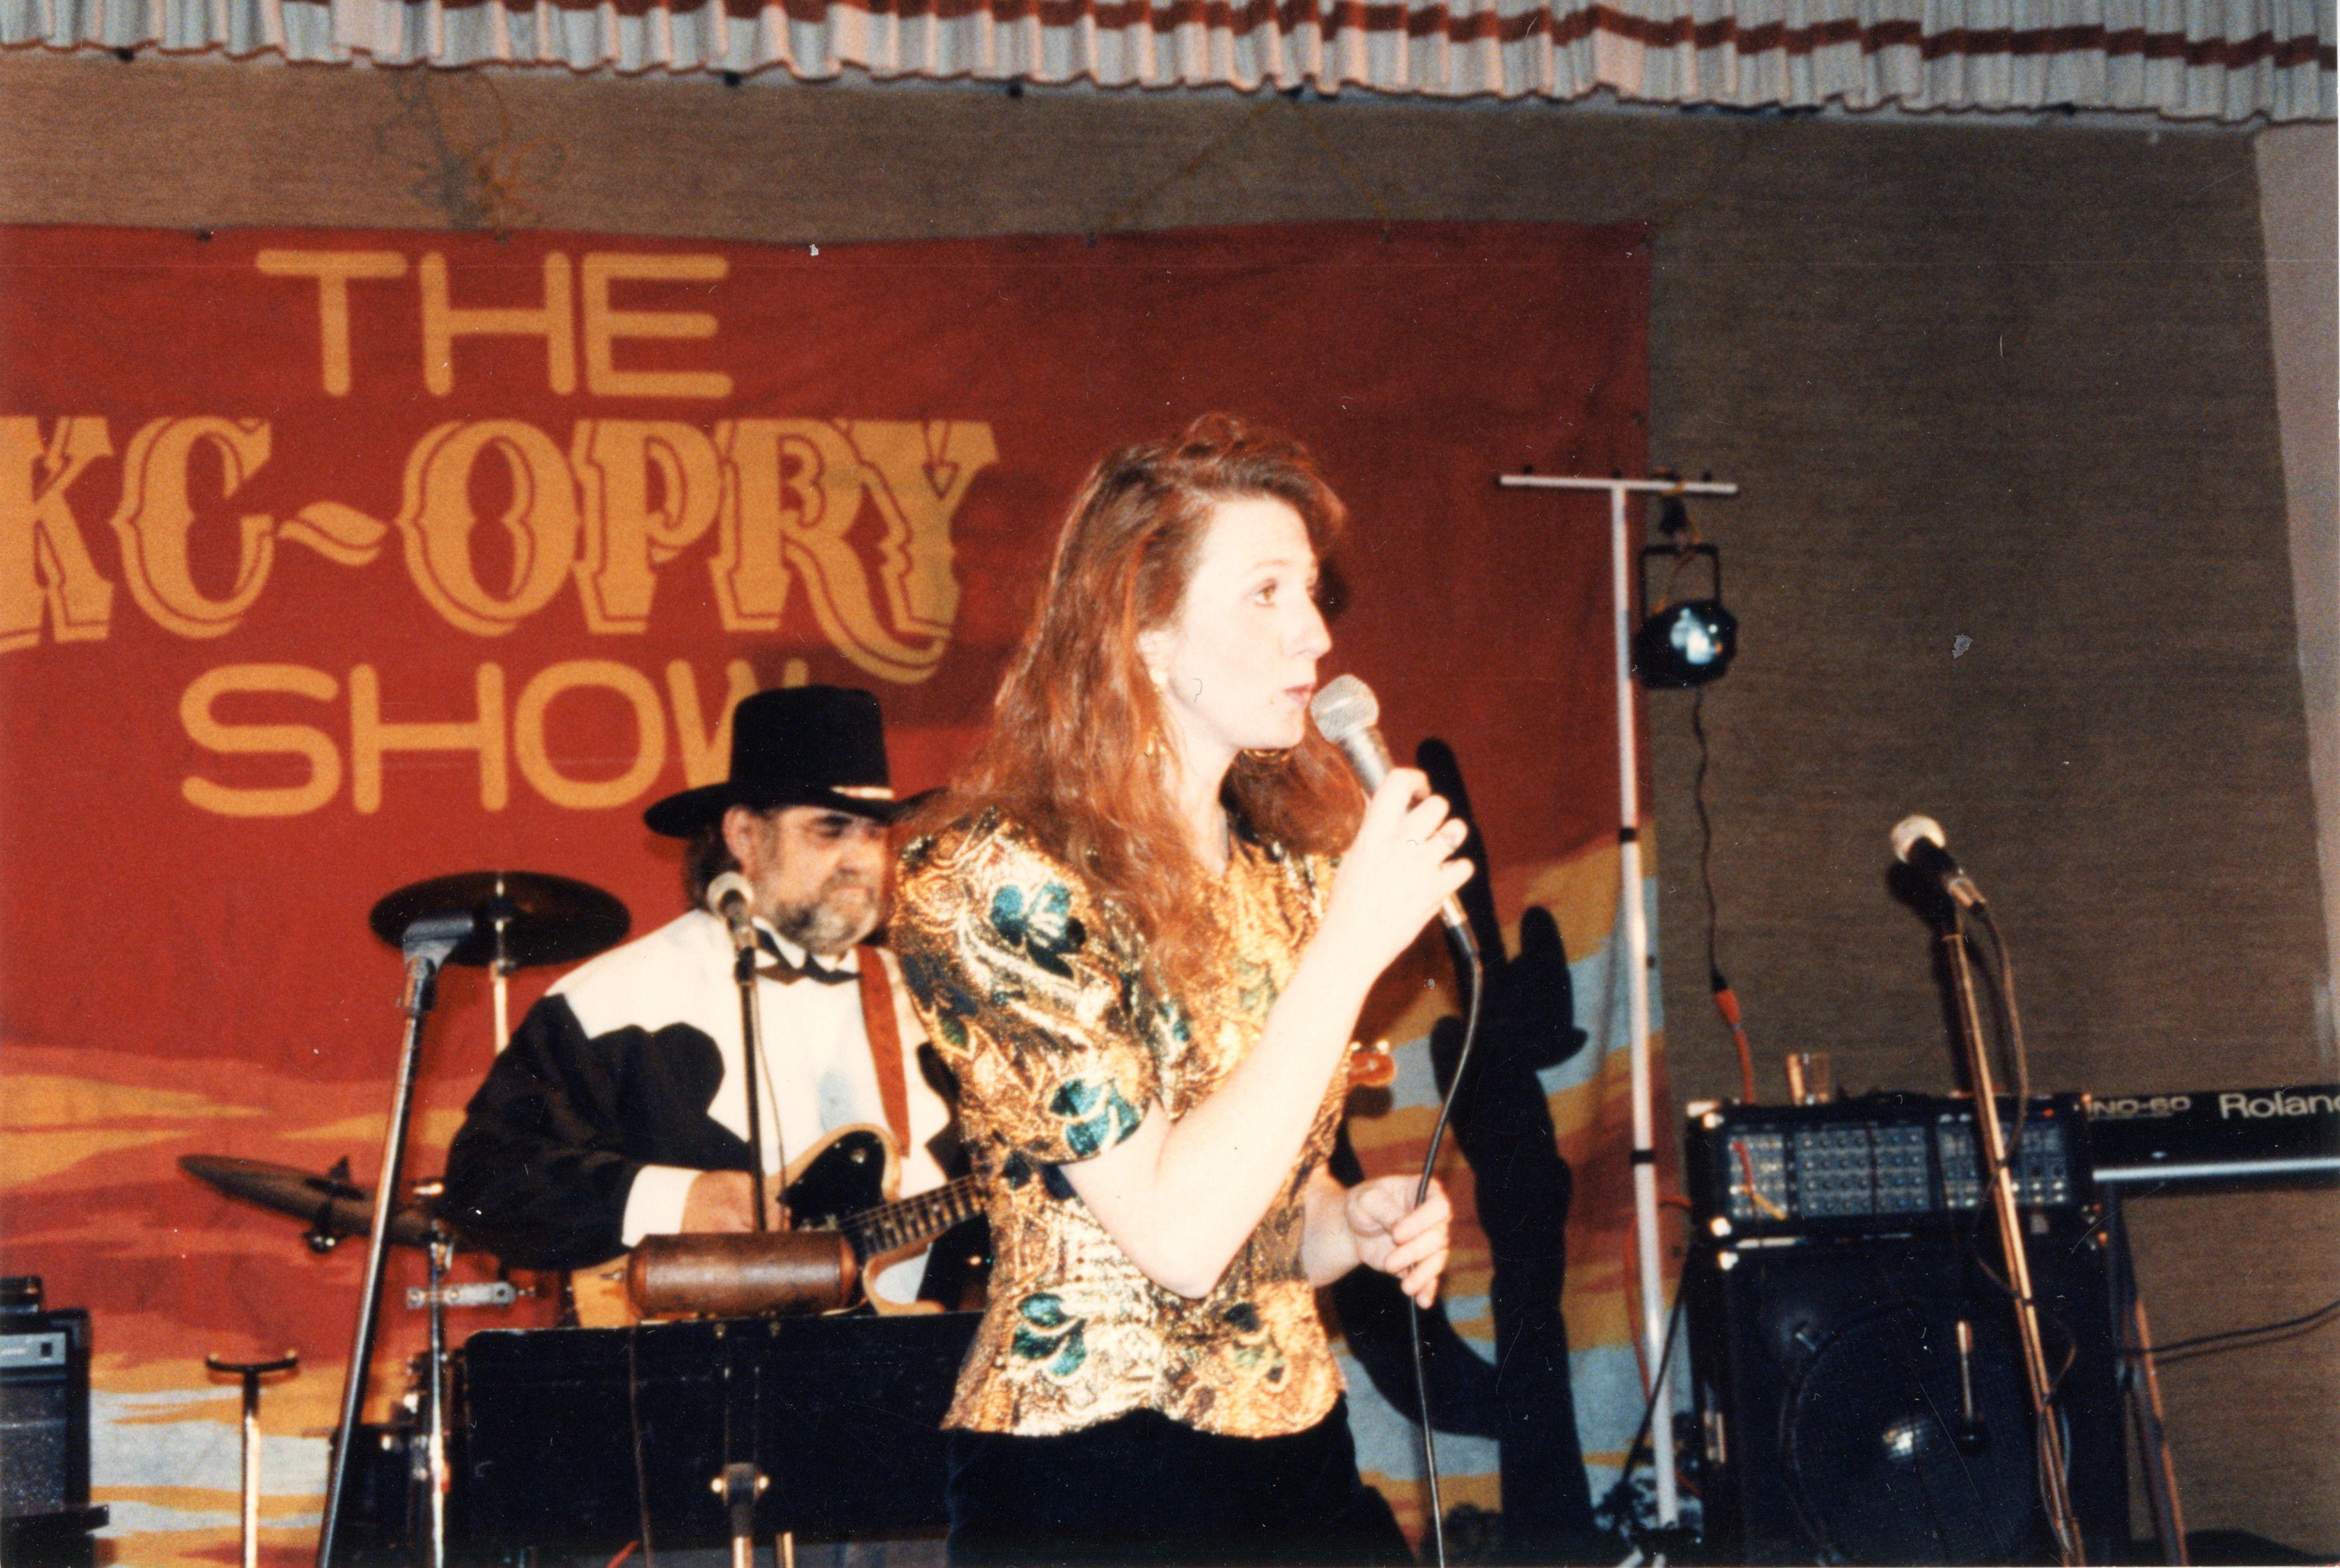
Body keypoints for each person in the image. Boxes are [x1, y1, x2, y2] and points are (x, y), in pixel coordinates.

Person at [890, 416, 1466, 1565]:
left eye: (1311, 591)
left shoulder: (1290, 876)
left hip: (1295, 1446)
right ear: (1142, 627)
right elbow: (1177, 1236)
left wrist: (1340, 1222)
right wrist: (1350, 947)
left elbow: (1250, 1211)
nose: (1314, 632)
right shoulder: (997, 881)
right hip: (1096, 1472)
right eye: (1264, 592)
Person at [441, 685, 958, 1312]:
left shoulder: (939, 1002)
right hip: (694, 1366)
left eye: (875, 834)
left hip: (914, 1361)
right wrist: (678, 1199)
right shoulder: (614, 1001)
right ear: (744, 833)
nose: (860, 859)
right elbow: (483, 1182)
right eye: (830, 829)